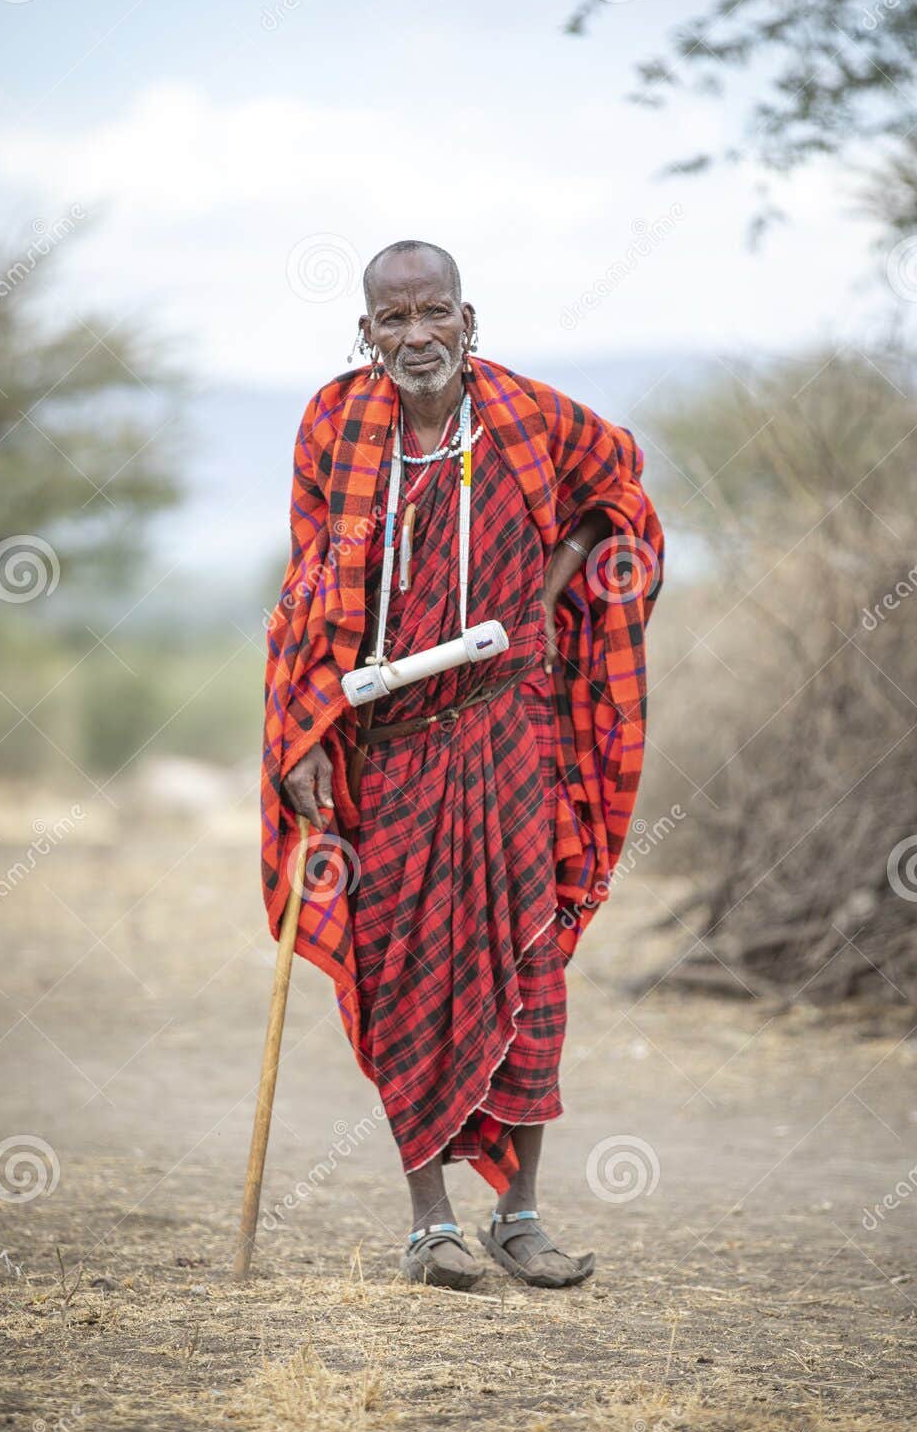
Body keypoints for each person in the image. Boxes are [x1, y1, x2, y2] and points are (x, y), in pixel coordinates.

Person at [261, 240, 663, 1290]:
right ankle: (427, 1223)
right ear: (365, 332)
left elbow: (619, 485)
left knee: (527, 969)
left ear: (467, 318)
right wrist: (302, 730)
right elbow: (309, 589)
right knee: (402, 979)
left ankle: (519, 1216)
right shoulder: (335, 424)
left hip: (508, 733)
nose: (414, 337)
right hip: (388, 750)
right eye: (390, 321)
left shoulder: (530, 418)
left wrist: (551, 582)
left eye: (431, 313)